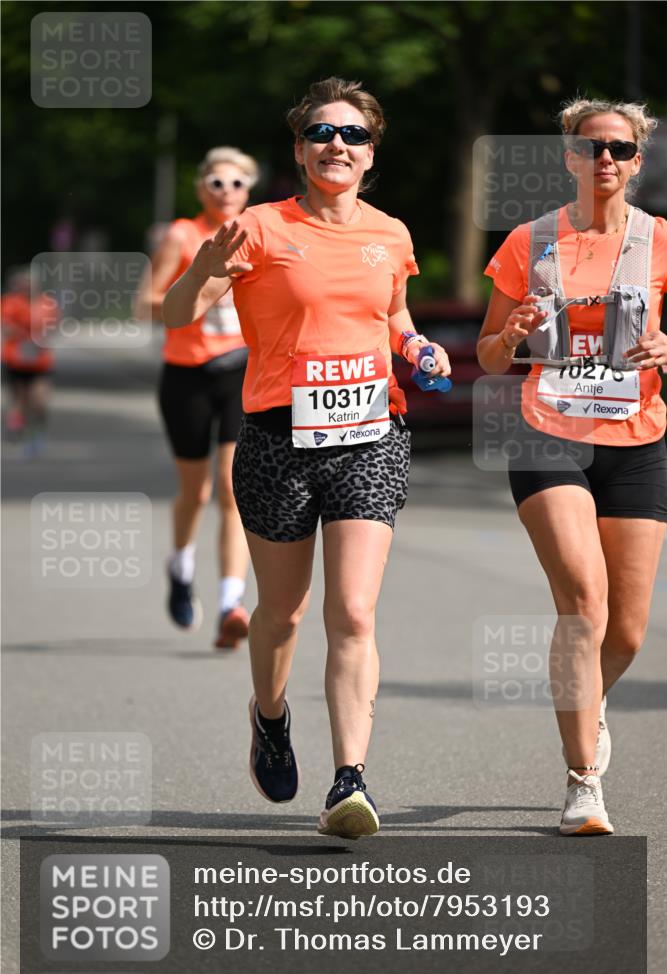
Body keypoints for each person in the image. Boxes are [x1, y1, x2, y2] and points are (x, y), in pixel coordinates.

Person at [163, 77, 450, 838]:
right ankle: (269, 715)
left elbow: (393, 314)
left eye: (353, 135)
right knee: (282, 613)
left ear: (370, 153)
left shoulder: (390, 233)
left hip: (371, 436)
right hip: (276, 440)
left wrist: (417, 346)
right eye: (322, 132)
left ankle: (349, 781)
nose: (337, 145)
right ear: (299, 149)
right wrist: (202, 268)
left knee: (352, 611)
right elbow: (176, 314)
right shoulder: (258, 228)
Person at [477, 99, 667, 835]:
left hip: (637, 437)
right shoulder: (530, 240)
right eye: (590, 148)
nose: (604, 160)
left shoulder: (659, 240)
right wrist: (513, 333)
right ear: (568, 158)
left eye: (618, 149)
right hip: (545, 433)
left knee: (627, 631)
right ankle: (583, 780)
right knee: (584, 603)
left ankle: (586, 699)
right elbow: (491, 358)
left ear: (637, 161)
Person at [136, 147, 259, 649]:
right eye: (216, 183)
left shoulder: (258, 232)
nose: (227, 192)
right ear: (201, 189)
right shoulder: (182, 235)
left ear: (249, 190)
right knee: (196, 492)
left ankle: (231, 603)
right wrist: (199, 289)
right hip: (186, 373)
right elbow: (145, 304)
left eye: (237, 184)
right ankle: (181, 565)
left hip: (239, 370)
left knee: (232, 488)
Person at [1, 267, 59, 457]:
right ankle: (23, 433)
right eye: (23, 284)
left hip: (40, 362)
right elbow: (7, 327)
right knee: (20, 401)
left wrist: (40, 337)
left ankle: (38, 432)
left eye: (29, 284)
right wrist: (27, 335)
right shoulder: (10, 302)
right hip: (15, 360)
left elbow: (52, 327)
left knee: (39, 401)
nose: (26, 287)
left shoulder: (47, 304)